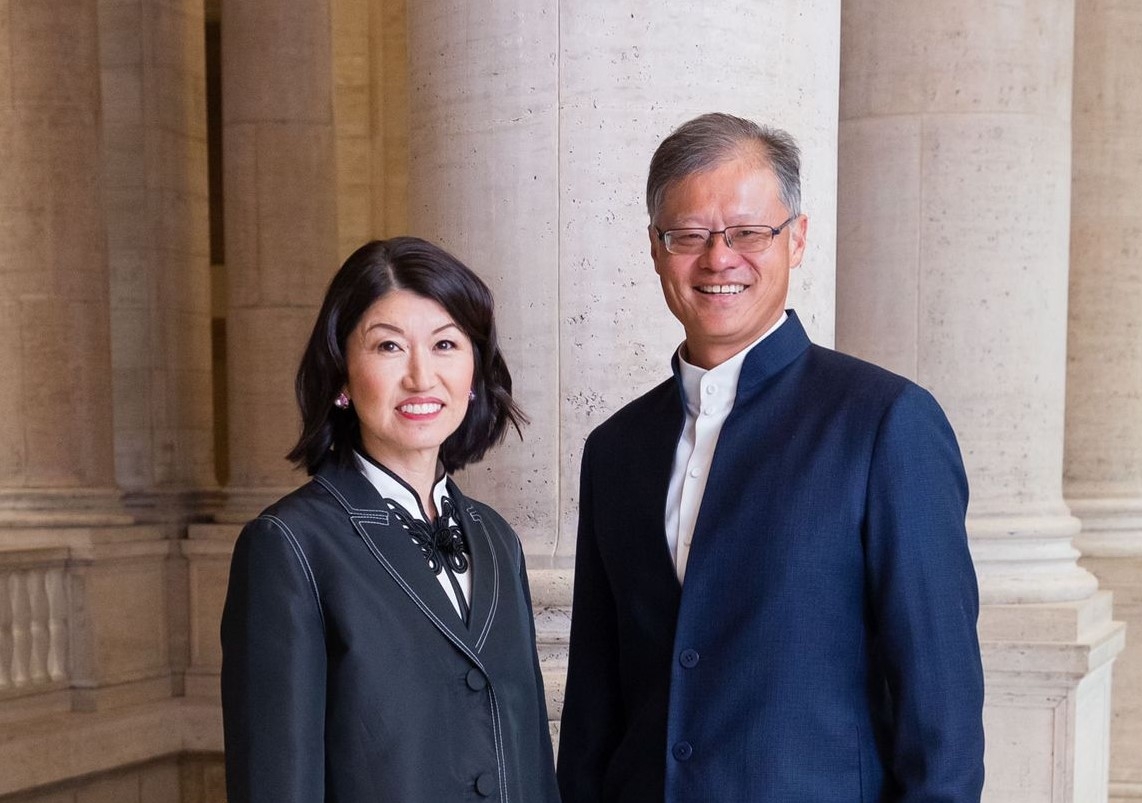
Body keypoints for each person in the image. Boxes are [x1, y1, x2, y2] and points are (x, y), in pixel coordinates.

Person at [556, 113, 985, 802]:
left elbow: (941, 716)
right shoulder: (615, 449)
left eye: (749, 232)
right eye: (689, 235)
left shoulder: (884, 423)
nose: (719, 258)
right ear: (655, 248)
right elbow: (594, 708)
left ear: (798, 240)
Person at [220, 237, 561, 803]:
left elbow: (529, 763)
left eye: (446, 344)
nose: (422, 377)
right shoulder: (288, 545)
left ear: (474, 371)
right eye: (389, 348)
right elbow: (276, 784)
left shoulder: (498, 539)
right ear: (341, 377)